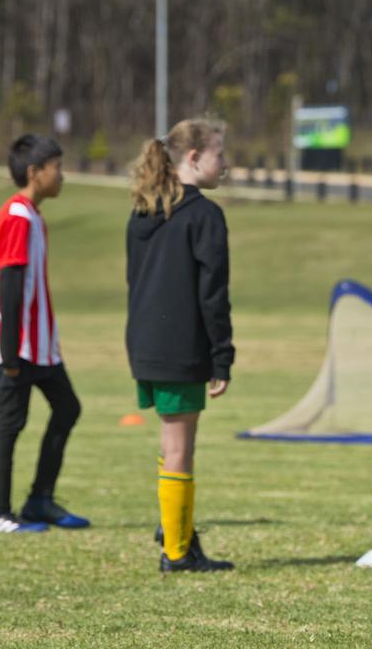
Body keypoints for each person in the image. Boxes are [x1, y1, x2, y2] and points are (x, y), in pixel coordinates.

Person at [126, 116, 235, 573]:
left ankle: (178, 534)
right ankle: (176, 553)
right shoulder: (205, 214)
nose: (225, 165)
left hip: (146, 345)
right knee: (179, 448)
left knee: (174, 443)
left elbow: (134, 282)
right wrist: (222, 357)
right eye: (219, 154)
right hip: (180, 346)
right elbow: (213, 295)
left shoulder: (143, 211)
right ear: (193, 158)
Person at [0, 134, 88, 533]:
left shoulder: (33, 215)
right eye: (57, 168)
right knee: (10, 423)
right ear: (34, 172)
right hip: (19, 346)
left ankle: (40, 500)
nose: (62, 176)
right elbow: (9, 287)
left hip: (41, 346)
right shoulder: (16, 216)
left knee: (68, 408)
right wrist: (9, 355)